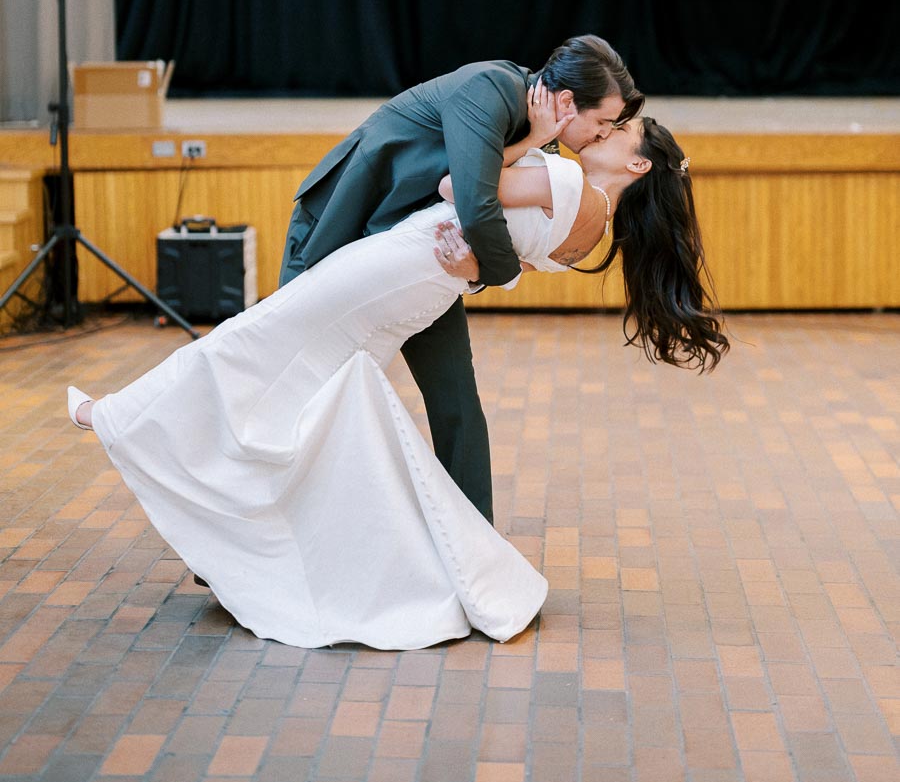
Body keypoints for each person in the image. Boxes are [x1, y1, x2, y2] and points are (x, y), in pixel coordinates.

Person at [67, 94, 726, 652]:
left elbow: (456, 188)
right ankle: (255, 527)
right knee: (312, 386)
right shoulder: (592, 236)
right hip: (422, 289)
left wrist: (536, 139)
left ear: (636, 164)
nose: (602, 132)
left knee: (258, 338)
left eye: (618, 133)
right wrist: (478, 254)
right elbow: (513, 256)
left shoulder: (571, 184)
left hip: (397, 267)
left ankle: (120, 417)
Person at [279, 35, 644, 523]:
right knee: (292, 387)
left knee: (455, 400)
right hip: (337, 224)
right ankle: (231, 548)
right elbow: (474, 204)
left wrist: (534, 144)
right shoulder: (489, 88)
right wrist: (498, 274)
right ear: (564, 102)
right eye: (601, 123)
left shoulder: (540, 132)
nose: (601, 136)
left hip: (417, 266)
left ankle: (477, 552)